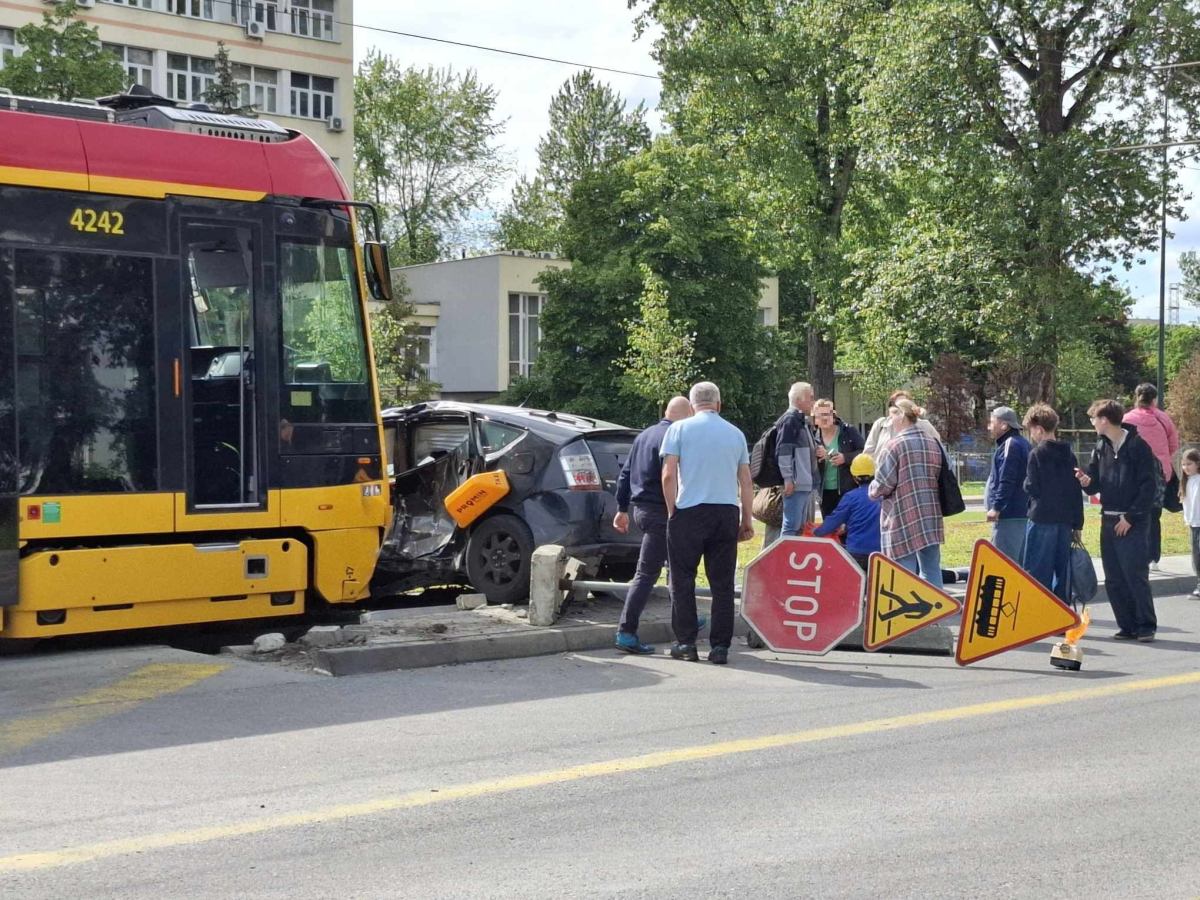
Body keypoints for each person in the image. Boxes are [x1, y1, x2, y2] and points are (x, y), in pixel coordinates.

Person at [661, 381, 755, 665]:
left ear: (691, 406)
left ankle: (686, 643)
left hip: (689, 510)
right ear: (719, 404)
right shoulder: (735, 434)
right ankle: (720, 647)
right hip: (725, 510)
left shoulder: (678, 429)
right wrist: (746, 519)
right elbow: (746, 481)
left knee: (682, 579)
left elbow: (668, 474)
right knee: (722, 583)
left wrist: (672, 510)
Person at [611, 395, 694, 654]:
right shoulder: (675, 436)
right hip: (662, 511)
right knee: (647, 573)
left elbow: (625, 474)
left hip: (642, 510)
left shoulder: (644, 435)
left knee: (676, 568)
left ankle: (686, 619)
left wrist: (621, 509)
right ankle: (626, 631)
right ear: (686, 415)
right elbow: (674, 476)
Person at [1075, 399, 1159, 642]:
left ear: (1104, 420)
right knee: (1113, 577)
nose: (1092, 423)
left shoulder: (1138, 446)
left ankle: (1146, 625)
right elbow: (1095, 485)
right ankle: (1127, 625)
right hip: (1109, 519)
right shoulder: (1100, 447)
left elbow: (1148, 487)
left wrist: (1130, 517)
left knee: (1135, 574)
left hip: (1133, 521)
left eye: (1093, 418)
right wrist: (1086, 482)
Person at [868, 398, 945, 588]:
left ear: (901, 416)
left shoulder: (894, 445)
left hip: (902, 515)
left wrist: (871, 490)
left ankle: (908, 607)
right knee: (931, 570)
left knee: (903, 573)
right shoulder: (933, 443)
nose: (890, 420)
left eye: (892, 415)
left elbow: (883, 485)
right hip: (930, 513)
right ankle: (935, 606)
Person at [1022, 404, 1084, 604]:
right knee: (1062, 570)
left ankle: (1039, 609)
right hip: (1065, 520)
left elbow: (1032, 487)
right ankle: (1061, 610)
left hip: (1042, 517)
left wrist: (1025, 483)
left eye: (1032, 430)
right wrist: (1078, 524)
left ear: (1039, 429)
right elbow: (1075, 491)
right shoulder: (1070, 455)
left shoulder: (1037, 454)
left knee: (1037, 569)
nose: (1031, 435)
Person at [1122, 383, 1180, 568]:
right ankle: (1153, 557)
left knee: (1133, 514)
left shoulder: (1127, 418)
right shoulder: (1163, 418)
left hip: (1133, 474)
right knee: (1154, 517)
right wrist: (1162, 458)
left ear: (1136, 397)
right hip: (1159, 474)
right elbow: (1174, 444)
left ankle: (1136, 555)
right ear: (1154, 399)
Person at [813, 453, 881, 572]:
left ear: (854, 477)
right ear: (874, 474)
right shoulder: (883, 495)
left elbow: (833, 521)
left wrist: (815, 532)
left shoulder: (850, 497)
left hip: (856, 552)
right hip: (881, 554)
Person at [769, 381, 819, 542]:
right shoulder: (790, 420)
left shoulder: (801, 420)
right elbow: (783, 451)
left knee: (798, 528)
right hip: (796, 483)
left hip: (803, 482)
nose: (813, 402)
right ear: (798, 400)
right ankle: (783, 556)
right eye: (810, 398)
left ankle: (791, 556)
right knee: (791, 527)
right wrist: (788, 478)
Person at [984, 406, 1031, 562]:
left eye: (992, 422)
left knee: (1004, 564)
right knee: (1018, 564)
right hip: (1020, 513)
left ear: (1004, 425)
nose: (989, 427)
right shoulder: (1022, 443)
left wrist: (997, 507)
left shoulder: (1011, 444)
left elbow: (1007, 479)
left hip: (1009, 515)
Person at [812, 398, 865, 519]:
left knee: (848, 526)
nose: (824, 418)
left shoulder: (848, 431)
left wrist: (845, 458)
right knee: (830, 527)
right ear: (815, 419)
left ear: (834, 415)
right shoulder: (813, 437)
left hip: (847, 489)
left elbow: (864, 451)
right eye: (820, 415)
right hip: (824, 493)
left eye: (827, 414)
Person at [863, 389, 940, 457]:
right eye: (897, 407)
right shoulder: (881, 425)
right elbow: (868, 453)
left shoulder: (924, 426)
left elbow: (939, 450)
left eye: (905, 405)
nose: (901, 412)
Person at [1180, 448, 1200, 600]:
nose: (1186, 467)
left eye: (1189, 464)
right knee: (1196, 557)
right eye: (1183, 464)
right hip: (1193, 524)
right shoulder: (1186, 481)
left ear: (1198, 464)